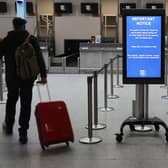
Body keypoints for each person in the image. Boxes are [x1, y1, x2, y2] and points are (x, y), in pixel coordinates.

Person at [0, 17, 47, 144]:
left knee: (11, 100)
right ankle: (23, 132)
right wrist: (43, 75)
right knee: (26, 103)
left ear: (13, 26)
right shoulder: (31, 39)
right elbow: (39, 58)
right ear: (23, 26)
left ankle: (9, 126)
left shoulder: (7, 40)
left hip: (11, 77)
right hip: (27, 77)